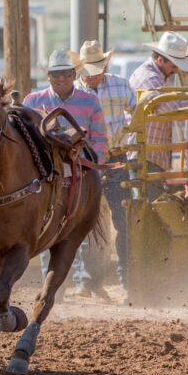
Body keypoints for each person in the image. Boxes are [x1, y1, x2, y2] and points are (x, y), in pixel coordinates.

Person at [24, 49, 109, 298]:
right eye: (56, 74)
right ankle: (52, 289)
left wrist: (96, 166)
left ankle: (86, 283)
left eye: (66, 74)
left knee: (83, 226)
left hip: (81, 174)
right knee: (46, 226)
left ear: (74, 74)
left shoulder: (90, 100)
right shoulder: (32, 101)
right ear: (48, 76)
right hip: (48, 176)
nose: (61, 79)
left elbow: (100, 138)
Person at [75, 40, 136, 288]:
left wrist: (126, 139)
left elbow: (137, 115)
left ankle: (125, 278)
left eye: (96, 68)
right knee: (82, 222)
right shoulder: (76, 94)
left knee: (121, 220)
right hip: (86, 162)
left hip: (115, 159)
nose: (91, 74)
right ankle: (87, 281)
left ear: (104, 65)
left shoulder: (120, 85)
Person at [129, 31, 188, 182]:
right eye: (174, 65)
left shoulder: (158, 76)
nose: (176, 70)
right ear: (160, 60)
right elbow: (169, 109)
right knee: (147, 198)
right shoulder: (148, 78)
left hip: (151, 154)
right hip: (145, 155)